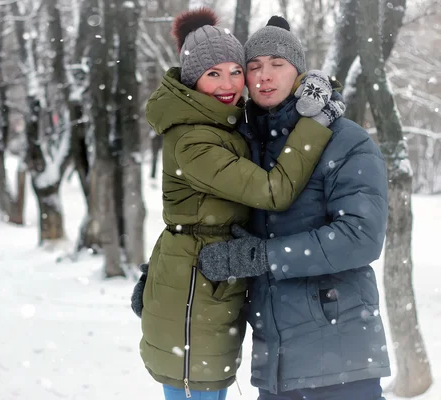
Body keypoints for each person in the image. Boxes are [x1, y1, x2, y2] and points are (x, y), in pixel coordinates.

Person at [133, 8, 344, 400]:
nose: (229, 83)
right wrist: (315, 123)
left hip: (202, 282)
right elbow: (273, 192)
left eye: (235, 71)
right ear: (194, 79)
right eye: (214, 74)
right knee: (200, 388)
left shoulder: (221, 122)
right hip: (195, 292)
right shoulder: (196, 139)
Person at [197, 16, 390, 400]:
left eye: (277, 64)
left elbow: (362, 237)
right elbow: (214, 226)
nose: (264, 75)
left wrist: (264, 256)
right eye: (254, 67)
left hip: (342, 362)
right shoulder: (246, 145)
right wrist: (163, 277)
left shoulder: (345, 140)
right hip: (275, 370)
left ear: (299, 72)